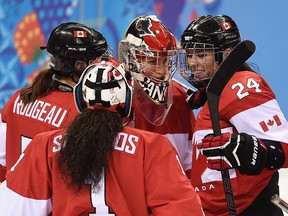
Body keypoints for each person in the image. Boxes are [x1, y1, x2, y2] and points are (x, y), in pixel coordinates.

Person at [0, 56, 204, 215]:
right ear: (126, 101)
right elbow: (184, 211)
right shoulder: (153, 147)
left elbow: (12, 210)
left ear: (80, 98)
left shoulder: (44, 146)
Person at [179, 14, 288, 215]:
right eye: (189, 55)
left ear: (227, 54)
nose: (193, 62)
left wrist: (258, 151)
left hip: (250, 209)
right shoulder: (214, 93)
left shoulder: (242, 85)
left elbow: (285, 149)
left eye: (201, 55)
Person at [0, 22, 109, 182]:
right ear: (78, 66)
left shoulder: (18, 98)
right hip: (51, 205)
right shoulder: (82, 113)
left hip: (15, 201)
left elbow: (1, 162)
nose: (102, 67)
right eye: (95, 61)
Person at [118, 15, 196, 177]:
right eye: (153, 62)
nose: (161, 71)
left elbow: (190, 159)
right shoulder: (116, 98)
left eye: (166, 61)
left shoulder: (180, 95)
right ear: (131, 59)